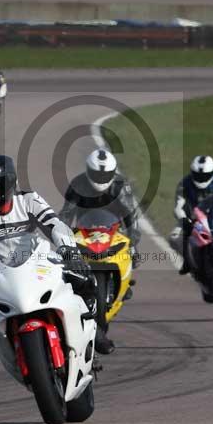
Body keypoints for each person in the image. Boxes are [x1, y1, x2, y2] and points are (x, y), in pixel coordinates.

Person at [0, 154, 93, 349]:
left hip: (38, 264)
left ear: (9, 185)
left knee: (85, 281)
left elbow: (55, 226)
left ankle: (94, 330)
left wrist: (69, 251)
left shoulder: (28, 200)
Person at [59, 148, 142, 354]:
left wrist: (133, 243)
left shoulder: (121, 186)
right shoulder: (77, 185)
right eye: (97, 174)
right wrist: (63, 240)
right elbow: (65, 216)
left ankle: (124, 281)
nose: (101, 178)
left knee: (132, 254)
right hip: (84, 231)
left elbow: (132, 218)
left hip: (114, 230)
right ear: (89, 171)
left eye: (105, 175)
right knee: (65, 264)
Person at [169, 155, 213, 275]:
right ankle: (188, 260)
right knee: (174, 237)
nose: (201, 179)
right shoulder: (185, 184)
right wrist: (184, 220)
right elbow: (178, 206)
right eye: (198, 175)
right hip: (193, 221)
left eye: (204, 176)